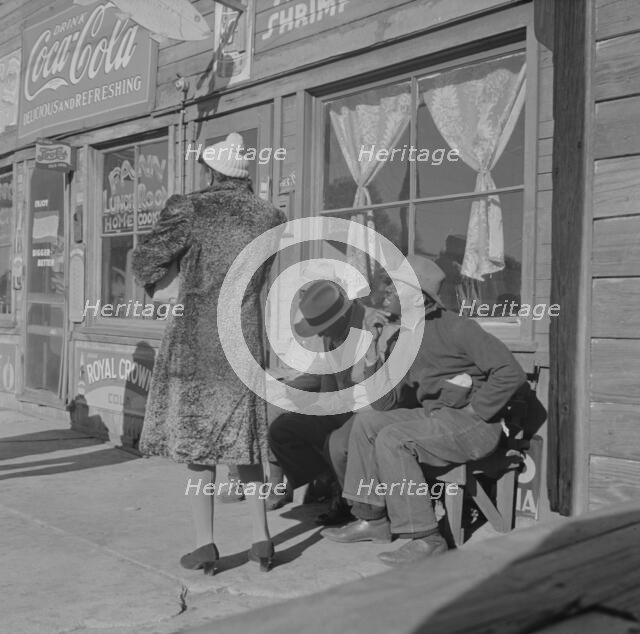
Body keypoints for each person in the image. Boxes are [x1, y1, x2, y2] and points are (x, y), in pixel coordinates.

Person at [132, 132, 286, 574]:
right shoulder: (270, 215)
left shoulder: (190, 207)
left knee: (200, 445)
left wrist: (171, 277)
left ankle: (205, 545)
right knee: (248, 444)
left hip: (197, 338)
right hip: (245, 337)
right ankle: (262, 541)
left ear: (211, 169)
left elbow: (146, 259)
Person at [322, 256, 527, 566]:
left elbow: (509, 372)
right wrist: (373, 350)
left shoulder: (458, 327)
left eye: (394, 286)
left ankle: (425, 538)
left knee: (393, 439)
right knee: (367, 423)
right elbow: (384, 404)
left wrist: (477, 408)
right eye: (386, 285)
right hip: (437, 420)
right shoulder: (402, 338)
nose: (386, 292)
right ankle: (372, 518)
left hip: (477, 426)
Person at [268, 279, 392, 519]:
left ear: (342, 317)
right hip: (342, 405)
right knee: (283, 428)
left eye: (324, 326)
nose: (321, 333)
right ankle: (327, 479)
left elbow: (380, 392)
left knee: (335, 441)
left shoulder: (373, 327)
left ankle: (351, 502)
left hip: (372, 410)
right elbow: (329, 383)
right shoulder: (332, 333)